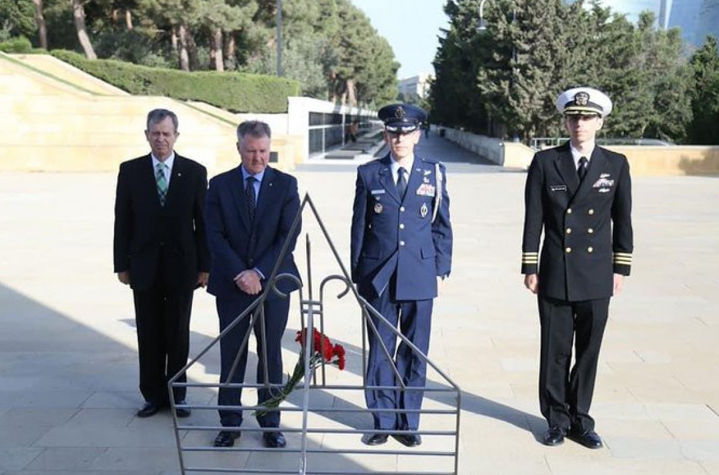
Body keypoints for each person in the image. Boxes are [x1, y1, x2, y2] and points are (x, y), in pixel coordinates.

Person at [521, 87, 633, 449]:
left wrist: (621, 267)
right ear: (565, 121)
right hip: (555, 269)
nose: (579, 124)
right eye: (573, 117)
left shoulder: (615, 164)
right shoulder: (545, 162)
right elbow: (533, 218)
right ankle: (556, 419)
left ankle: (581, 420)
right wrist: (530, 264)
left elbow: (623, 219)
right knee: (555, 349)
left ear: (600, 122)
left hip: (597, 272)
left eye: (586, 118)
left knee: (588, 350)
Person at [350, 104, 453, 448]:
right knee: (380, 349)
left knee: (413, 350)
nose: (399, 139)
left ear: (418, 134)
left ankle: (408, 422)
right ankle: (382, 420)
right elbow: (358, 229)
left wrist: (440, 269)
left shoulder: (433, 173)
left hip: (420, 274)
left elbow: (441, 226)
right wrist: (357, 275)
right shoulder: (369, 173)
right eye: (393, 133)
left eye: (406, 132)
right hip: (378, 276)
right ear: (385, 135)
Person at [204, 121, 301, 449]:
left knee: (271, 354)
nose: (258, 158)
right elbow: (213, 235)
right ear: (239, 149)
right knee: (232, 354)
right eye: (251, 151)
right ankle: (229, 423)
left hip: (273, 285)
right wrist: (239, 273)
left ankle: (270, 422)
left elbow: (288, 236)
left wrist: (258, 272)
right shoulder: (219, 186)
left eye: (263, 151)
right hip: (232, 286)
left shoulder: (286, 185)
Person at [113, 108, 210, 418]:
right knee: (149, 332)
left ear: (176, 136)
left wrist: (205, 267)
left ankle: (177, 394)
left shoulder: (195, 172)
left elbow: (202, 223)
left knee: (178, 333)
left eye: (167, 134)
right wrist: (121, 265)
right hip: (143, 267)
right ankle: (152, 396)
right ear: (147, 135)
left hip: (183, 268)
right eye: (155, 133)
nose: (161, 139)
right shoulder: (130, 171)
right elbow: (122, 222)